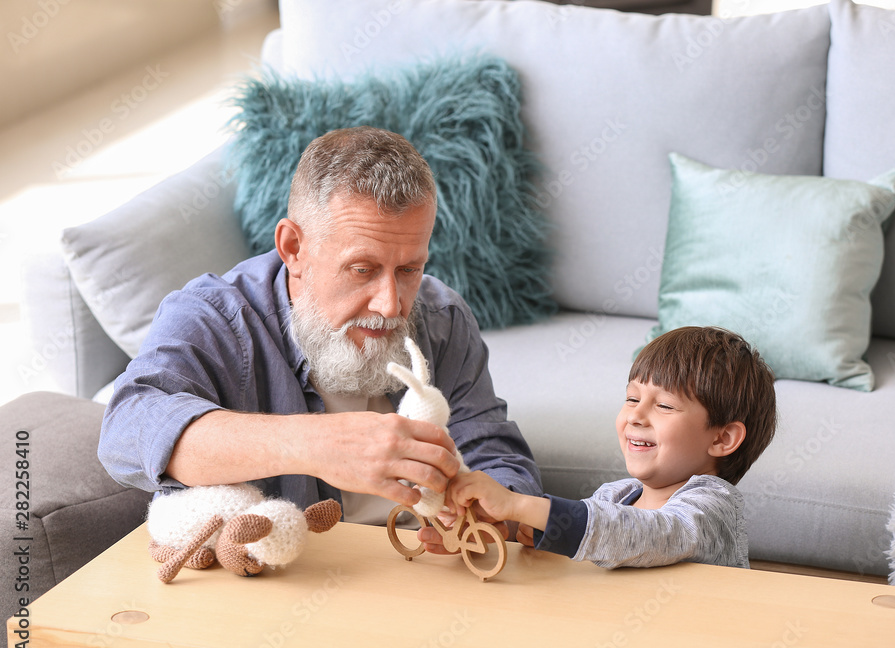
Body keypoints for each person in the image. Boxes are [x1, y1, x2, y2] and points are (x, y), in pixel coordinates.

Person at [98, 126, 541, 551]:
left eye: (409, 269)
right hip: (284, 586)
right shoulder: (213, 318)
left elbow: (494, 453)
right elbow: (126, 431)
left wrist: (492, 515)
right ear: (293, 249)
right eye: (362, 269)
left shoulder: (442, 317)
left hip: (426, 576)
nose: (391, 305)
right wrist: (317, 444)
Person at [448, 326, 776, 568]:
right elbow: (595, 537)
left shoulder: (714, 508)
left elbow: (648, 535)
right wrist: (537, 532)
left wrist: (521, 505)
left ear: (722, 439)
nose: (635, 415)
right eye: (632, 398)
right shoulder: (614, 496)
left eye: (663, 406)